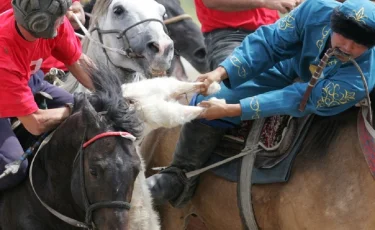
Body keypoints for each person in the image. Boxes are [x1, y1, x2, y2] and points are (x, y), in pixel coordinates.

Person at [146, 0, 375, 208]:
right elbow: (270, 42)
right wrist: (220, 72)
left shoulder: (360, 76)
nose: (347, 47)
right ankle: (179, 175)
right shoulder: (315, 10)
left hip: (323, 92)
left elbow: (298, 98)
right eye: (343, 37)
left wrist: (235, 110)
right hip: (288, 66)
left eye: (359, 45)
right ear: (332, 24)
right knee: (211, 99)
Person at [0, 0, 94, 191]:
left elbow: (78, 61)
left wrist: (114, 94)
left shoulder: (54, 20)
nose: (65, 20)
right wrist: (75, 109)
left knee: (94, 121)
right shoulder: (4, 51)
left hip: (29, 80)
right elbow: (35, 123)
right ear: (40, 23)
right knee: (14, 168)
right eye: (60, 19)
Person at [0, 0, 85, 74]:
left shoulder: (60, 21)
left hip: (56, 66)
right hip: (14, 67)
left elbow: (77, 59)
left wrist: (75, 5)